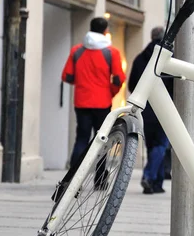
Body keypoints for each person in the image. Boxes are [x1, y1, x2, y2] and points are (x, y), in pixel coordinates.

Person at [62, 17, 125, 187]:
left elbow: (67, 76)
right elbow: (119, 78)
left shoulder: (77, 51)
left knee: (81, 138)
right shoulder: (111, 53)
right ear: (106, 31)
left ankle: (71, 179)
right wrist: (110, 92)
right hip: (103, 103)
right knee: (102, 139)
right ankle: (100, 179)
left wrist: (83, 84)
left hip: (82, 102)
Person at [128, 27, 174, 194]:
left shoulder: (140, 58)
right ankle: (148, 176)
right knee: (161, 145)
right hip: (164, 109)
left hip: (146, 109)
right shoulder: (169, 59)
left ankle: (156, 183)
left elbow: (132, 84)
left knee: (152, 146)